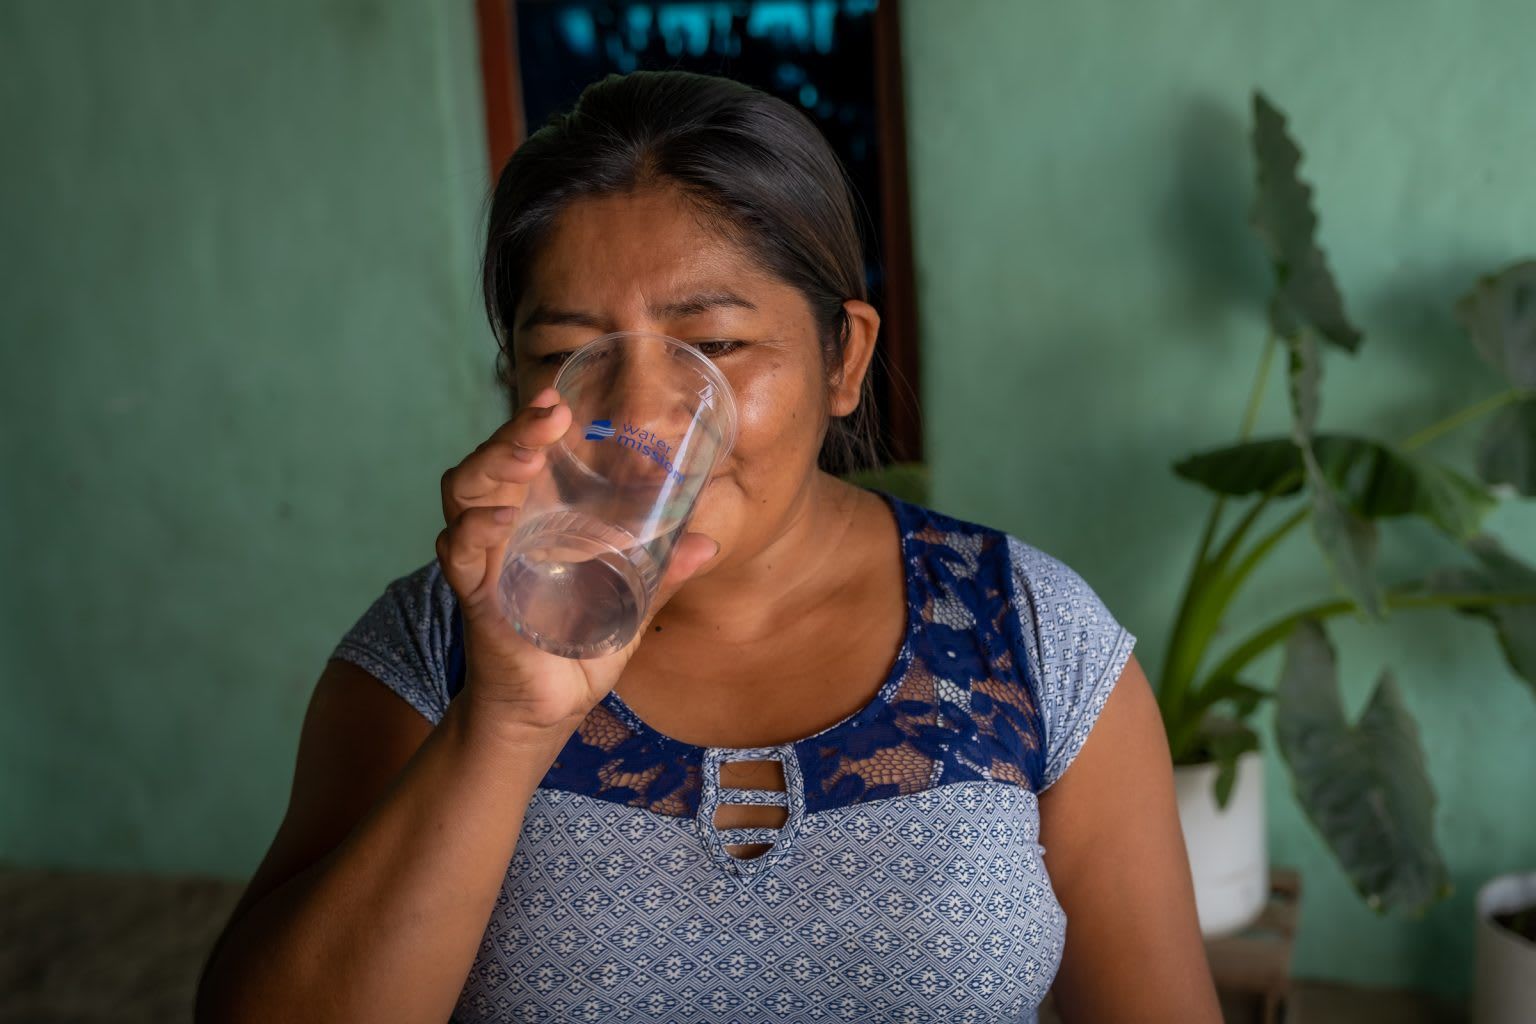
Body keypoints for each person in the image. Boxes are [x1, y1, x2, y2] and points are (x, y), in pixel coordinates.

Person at [197, 70, 1220, 1023]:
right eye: (565, 355)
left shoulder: (1031, 640)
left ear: (842, 357)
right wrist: (505, 718)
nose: (642, 414)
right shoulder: (432, 649)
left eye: (717, 345)